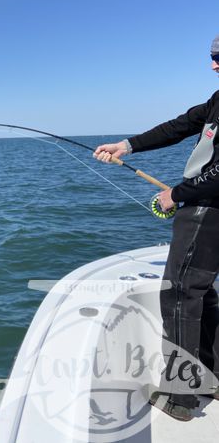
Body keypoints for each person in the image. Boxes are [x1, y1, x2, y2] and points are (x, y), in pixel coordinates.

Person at [93, 35, 219, 422]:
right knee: (202, 294)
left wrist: (177, 194)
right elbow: (179, 126)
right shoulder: (218, 100)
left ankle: (181, 395)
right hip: (207, 206)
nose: (213, 66)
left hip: (207, 210)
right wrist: (125, 146)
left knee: (180, 293)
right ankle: (212, 375)